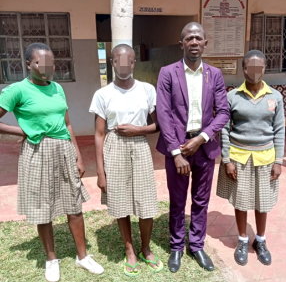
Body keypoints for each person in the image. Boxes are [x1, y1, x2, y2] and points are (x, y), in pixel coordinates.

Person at [0, 43, 104, 282]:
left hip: (64, 149)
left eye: (51, 63)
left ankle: (83, 256)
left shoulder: (57, 88)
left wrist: (77, 154)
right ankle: (51, 259)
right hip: (37, 151)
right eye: (40, 62)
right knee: (43, 207)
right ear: (28, 64)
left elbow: (67, 124)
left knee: (74, 205)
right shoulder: (17, 90)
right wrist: (21, 131)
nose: (47, 67)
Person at [156, 22, 229, 272]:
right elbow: (164, 114)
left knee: (201, 200)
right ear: (182, 43)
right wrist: (176, 152)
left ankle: (196, 245)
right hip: (177, 147)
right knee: (177, 201)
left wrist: (202, 138)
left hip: (204, 147)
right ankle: (176, 246)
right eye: (189, 38)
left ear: (205, 43)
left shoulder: (214, 75)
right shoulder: (168, 73)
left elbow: (223, 112)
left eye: (198, 38)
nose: (194, 42)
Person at [90, 44, 162, 276]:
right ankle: (129, 249)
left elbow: (159, 124)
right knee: (120, 201)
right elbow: (99, 134)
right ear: (112, 63)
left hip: (140, 147)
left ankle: (146, 248)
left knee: (146, 202)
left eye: (128, 61)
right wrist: (101, 173)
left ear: (133, 63)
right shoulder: (103, 94)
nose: (123, 65)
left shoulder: (147, 90)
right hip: (114, 148)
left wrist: (138, 129)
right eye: (117, 61)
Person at [216, 50, 285, 266]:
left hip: (266, 158)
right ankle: (243, 240)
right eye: (250, 67)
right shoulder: (232, 96)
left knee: (262, 202)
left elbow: (279, 129)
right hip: (239, 158)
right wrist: (227, 159)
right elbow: (225, 129)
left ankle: (261, 241)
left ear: (265, 68)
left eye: (259, 67)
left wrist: (279, 161)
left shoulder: (275, 97)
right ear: (244, 69)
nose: (254, 72)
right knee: (241, 201)